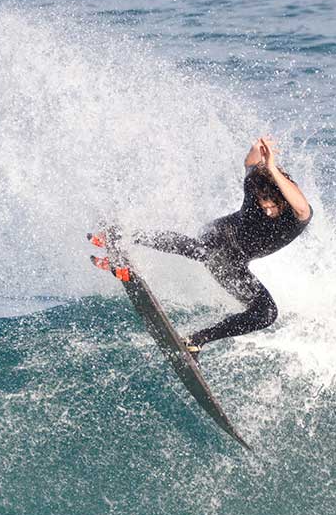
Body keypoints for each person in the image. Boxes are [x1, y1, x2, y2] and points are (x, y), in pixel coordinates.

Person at [128, 137, 312, 354]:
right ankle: (127, 236)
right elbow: (250, 164)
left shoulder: (296, 215)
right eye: (262, 204)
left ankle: (196, 340)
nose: (266, 210)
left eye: (271, 205)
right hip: (219, 235)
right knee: (204, 251)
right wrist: (256, 149)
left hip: (234, 263)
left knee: (266, 313)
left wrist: (271, 166)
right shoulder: (255, 188)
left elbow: (301, 207)